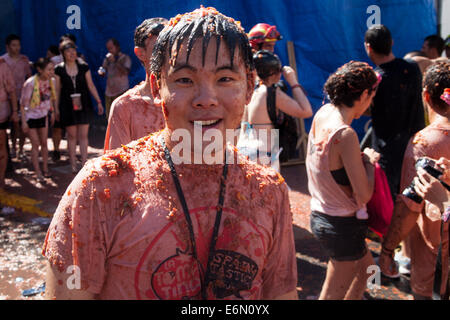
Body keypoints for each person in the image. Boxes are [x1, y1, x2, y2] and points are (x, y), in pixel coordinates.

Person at [43, 6, 298, 300]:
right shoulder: (100, 189)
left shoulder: (268, 191)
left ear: (249, 87)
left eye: (225, 79)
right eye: (185, 80)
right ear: (156, 86)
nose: (206, 100)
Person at [306, 61, 381, 300]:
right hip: (341, 225)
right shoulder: (345, 134)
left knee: (369, 270)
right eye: (371, 97)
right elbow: (364, 195)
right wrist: (369, 161)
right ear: (364, 94)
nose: (370, 104)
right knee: (331, 296)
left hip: (321, 215)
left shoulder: (324, 112)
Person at [378, 61, 450, 300]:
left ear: (426, 95)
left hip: (434, 260)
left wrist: (388, 249)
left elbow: (410, 206)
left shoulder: (424, 143)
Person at [364, 24, 425, 200]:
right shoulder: (412, 68)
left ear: (368, 47)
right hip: (414, 144)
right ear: (391, 42)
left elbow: (365, 109)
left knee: (389, 201)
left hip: (387, 152)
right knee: (413, 198)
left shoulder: (375, 79)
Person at [239, 50, 312, 171]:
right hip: (263, 154)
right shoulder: (271, 93)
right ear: (274, 73)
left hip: (245, 149)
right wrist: (293, 82)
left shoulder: (251, 90)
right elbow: (306, 111)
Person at [103, 18, 167, 151]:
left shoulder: (193, 101)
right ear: (140, 53)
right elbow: (117, 165)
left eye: (172, 46)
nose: (168, 54)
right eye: (159, 48)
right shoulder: (125, 107)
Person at [54, 40, 104, 173]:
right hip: (67, 105)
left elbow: (91, 85)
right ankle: (72, 165)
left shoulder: (84, 67)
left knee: (83, 135)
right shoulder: (59, 69)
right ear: (63, 54)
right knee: (71, 136)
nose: (72, 53)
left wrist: (98, 101)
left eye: (73, 50)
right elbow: (57, 90)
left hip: (84, 104)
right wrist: (55, 108)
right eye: (68, 51)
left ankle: (84, 163)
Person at [19, 58, 56, 182]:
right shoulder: (30, 83)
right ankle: (37, 171)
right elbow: (23, 104)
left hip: (43, 115)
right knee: (36, 144)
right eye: (49, 69)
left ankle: (45, 168)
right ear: (40, 70)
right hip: (31, 118)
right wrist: (24, 121)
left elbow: (52, 98)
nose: (51, 72)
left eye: (52, 69)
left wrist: (53, 111)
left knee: (44, 143)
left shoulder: (52, 82)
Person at [1, 34, 31, 160]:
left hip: (22, 97)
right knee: (10, 126)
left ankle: (21, 149)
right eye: (13, 45)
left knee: (22, 123)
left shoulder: (24, 60)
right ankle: (11, 148)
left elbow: (29, 77)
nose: (16, 48)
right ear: (7, 47)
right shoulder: (3, 61)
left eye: (18, 45)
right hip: (6, 99)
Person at [98, 38, 132, 119]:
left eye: (111, 48)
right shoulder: (107, 60)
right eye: (108, 49)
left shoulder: (125, 58)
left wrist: (115, 62)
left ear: (117, 47)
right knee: (110, 117)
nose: (110, 51)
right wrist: (102, 69)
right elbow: (102, 73)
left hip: (121, 91)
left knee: (122, 117)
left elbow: (125, 72)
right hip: (109, 93)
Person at [0, 58, 18, 189]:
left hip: (1, 114)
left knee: (1, 146)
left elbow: (11, 91)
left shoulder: (2, 66)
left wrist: (15, 111)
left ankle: (1, 178)